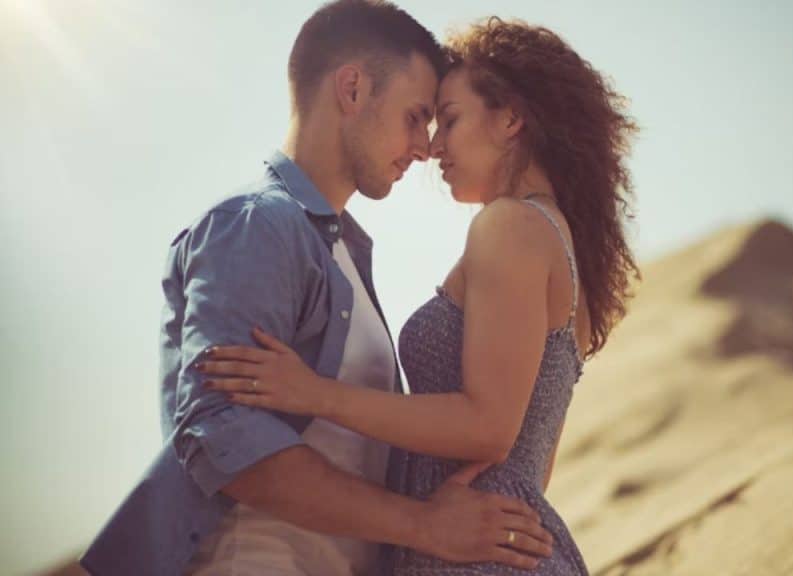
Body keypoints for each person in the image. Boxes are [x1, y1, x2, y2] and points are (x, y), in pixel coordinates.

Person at [80, 3, 553, 575]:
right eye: (414, 116)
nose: (425, 148)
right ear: (352, 89)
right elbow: (225, 441)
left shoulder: (345, 254)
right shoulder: (256, 226)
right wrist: (422, 524)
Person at [202, 16, 640, 575]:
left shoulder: (509, 226)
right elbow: (530, 465)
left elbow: (488, 431)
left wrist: (315, 393)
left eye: (449, 119)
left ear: (511, 118)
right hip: (494, 543)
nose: (432, 147)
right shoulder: (557, 244)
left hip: (469, 555)